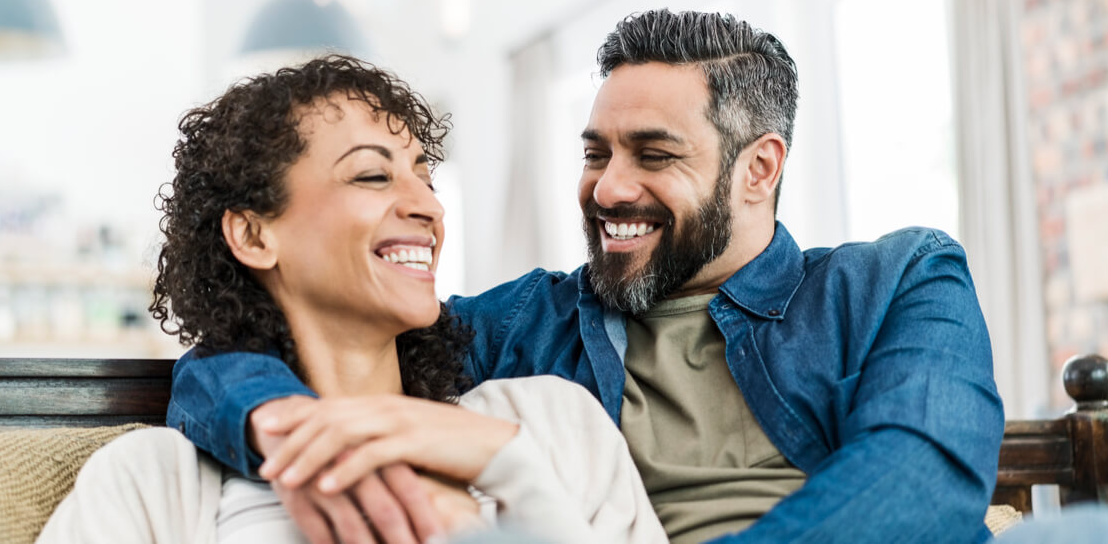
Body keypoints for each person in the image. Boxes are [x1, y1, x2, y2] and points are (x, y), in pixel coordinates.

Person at [168, 9, 1006, 543]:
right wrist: (278, 421)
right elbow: (237, 354)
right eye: (596, 152)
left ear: (759, 169)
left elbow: (920, 485)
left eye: (653, 155)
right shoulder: (530, 327)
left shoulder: (897, 282)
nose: (608, 188)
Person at [37, 55, 665, 544]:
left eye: (424, 174)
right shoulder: (153, 481)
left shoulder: (549, 425)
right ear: (255, 234)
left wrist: (508, 468)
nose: (428, 205)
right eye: (372, 174)